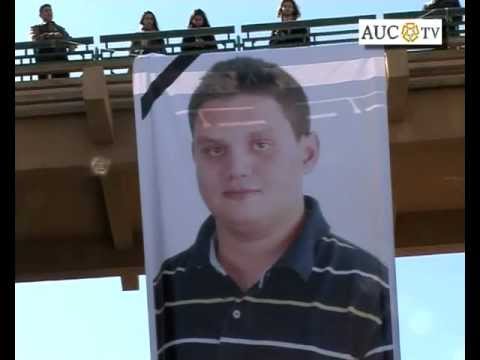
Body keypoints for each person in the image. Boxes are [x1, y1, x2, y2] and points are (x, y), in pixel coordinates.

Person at [153, 57, 393, 360]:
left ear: (307, 153)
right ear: (194, 157)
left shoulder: (367, 285)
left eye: (261, 144)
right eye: (214, 149)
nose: (237, 168)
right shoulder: (165, 287)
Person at [30, 4, 71, 79]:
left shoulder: (60, 28)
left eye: (50, 10)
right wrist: (51, 35)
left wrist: (59, 36)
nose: (49, 12)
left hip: (61, 62)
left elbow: (68, 39)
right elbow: (35, 40)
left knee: (63, 87)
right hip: (44, 63)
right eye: (46, 11)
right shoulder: (36, 28)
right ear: (40, 15)